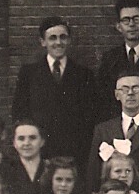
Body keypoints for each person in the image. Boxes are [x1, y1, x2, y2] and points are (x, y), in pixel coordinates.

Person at [13, 17, 98, 164]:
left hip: (74, 154)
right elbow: (20, 112)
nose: (58, 43)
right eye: (52, 38)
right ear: (43, 42)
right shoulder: (29, 73)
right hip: (40, 154)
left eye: (63, 37)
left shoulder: (84, 74)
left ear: (69, 40)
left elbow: (90, 117)